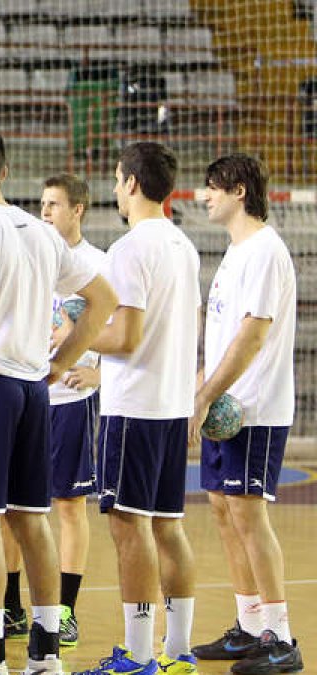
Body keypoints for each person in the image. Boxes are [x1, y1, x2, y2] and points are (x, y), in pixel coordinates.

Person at [0, 128, 116, 675]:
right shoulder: (40, 233)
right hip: (34, 389)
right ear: (6, 171)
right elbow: (105, 299)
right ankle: (45, 650)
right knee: (32, 519)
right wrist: (62, 361)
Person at [72, 142, 200, 675]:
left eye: (118, 177)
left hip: (136, 407)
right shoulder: (184, 245)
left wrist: (77, 334)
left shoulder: (130, 248)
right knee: (168, 526)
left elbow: (124, 337)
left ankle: (139, 654)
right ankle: (179, 650)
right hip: (170, 404)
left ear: (129, 183)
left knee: (130, 529)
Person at [189, 154, 303, 674]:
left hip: (253, 408)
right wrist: (202, 384)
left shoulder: (264, 251)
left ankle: (282, 639)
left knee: (248, 512)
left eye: (211, 187)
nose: (203, 195)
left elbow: (253, 336)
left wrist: (205, 393)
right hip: (226, 406)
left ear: (238, 191)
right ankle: (250, 625)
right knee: (222, 507)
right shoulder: (236, 251)